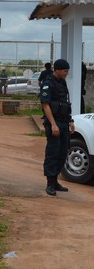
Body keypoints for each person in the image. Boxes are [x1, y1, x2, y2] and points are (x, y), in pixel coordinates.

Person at [40, 59, 75, 196]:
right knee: (53, 153)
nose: (67, 74)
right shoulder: (48, 83)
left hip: (64, 123)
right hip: (54, 123)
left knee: (63, 152)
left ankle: (55, 181)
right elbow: (45, 105)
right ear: (58, 70)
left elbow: (65, 103)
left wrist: (70, 120)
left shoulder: (62, 82)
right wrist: (53, 124)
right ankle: (50, 183)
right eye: (65, 71)